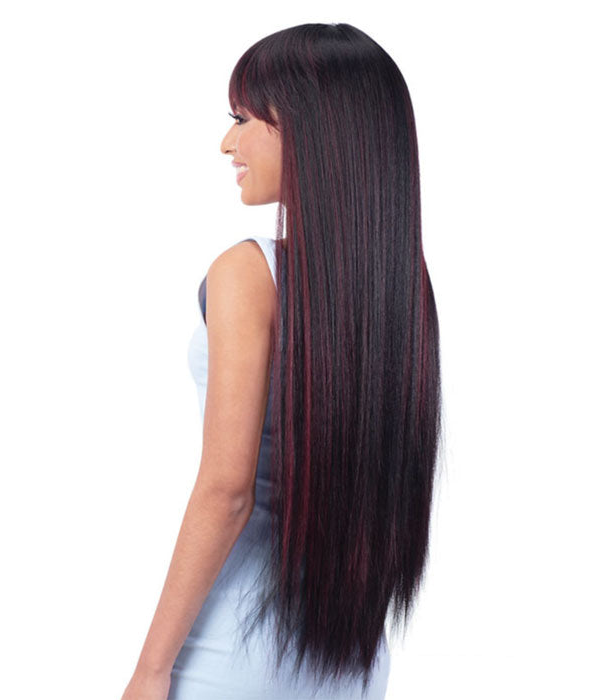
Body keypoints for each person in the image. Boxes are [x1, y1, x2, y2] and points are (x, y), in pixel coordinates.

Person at [121, 22, 441, 700]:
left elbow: (227, 490)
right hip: (351, 662)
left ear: (307, 126)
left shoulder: (247, 273)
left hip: (229, 652)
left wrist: (149, 670)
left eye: (243, 119)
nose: (226, 143)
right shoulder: (402, 287)